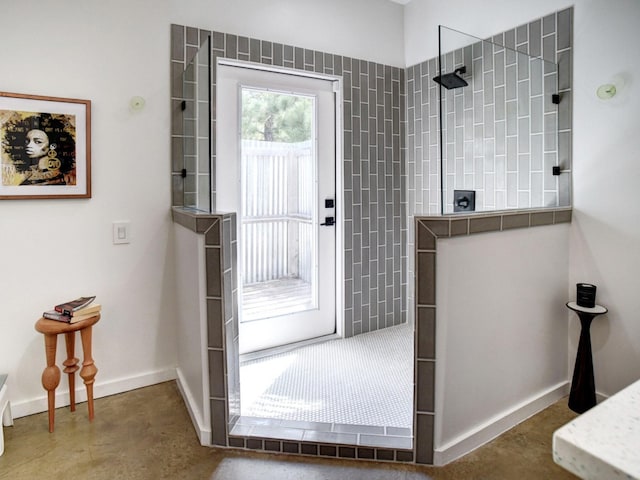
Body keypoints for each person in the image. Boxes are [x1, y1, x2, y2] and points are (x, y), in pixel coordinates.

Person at [1, 113, 76, 186]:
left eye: (38, 142)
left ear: (52, 146)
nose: (29, 145)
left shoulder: (59, 179)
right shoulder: (30, 175)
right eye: (27, 141)